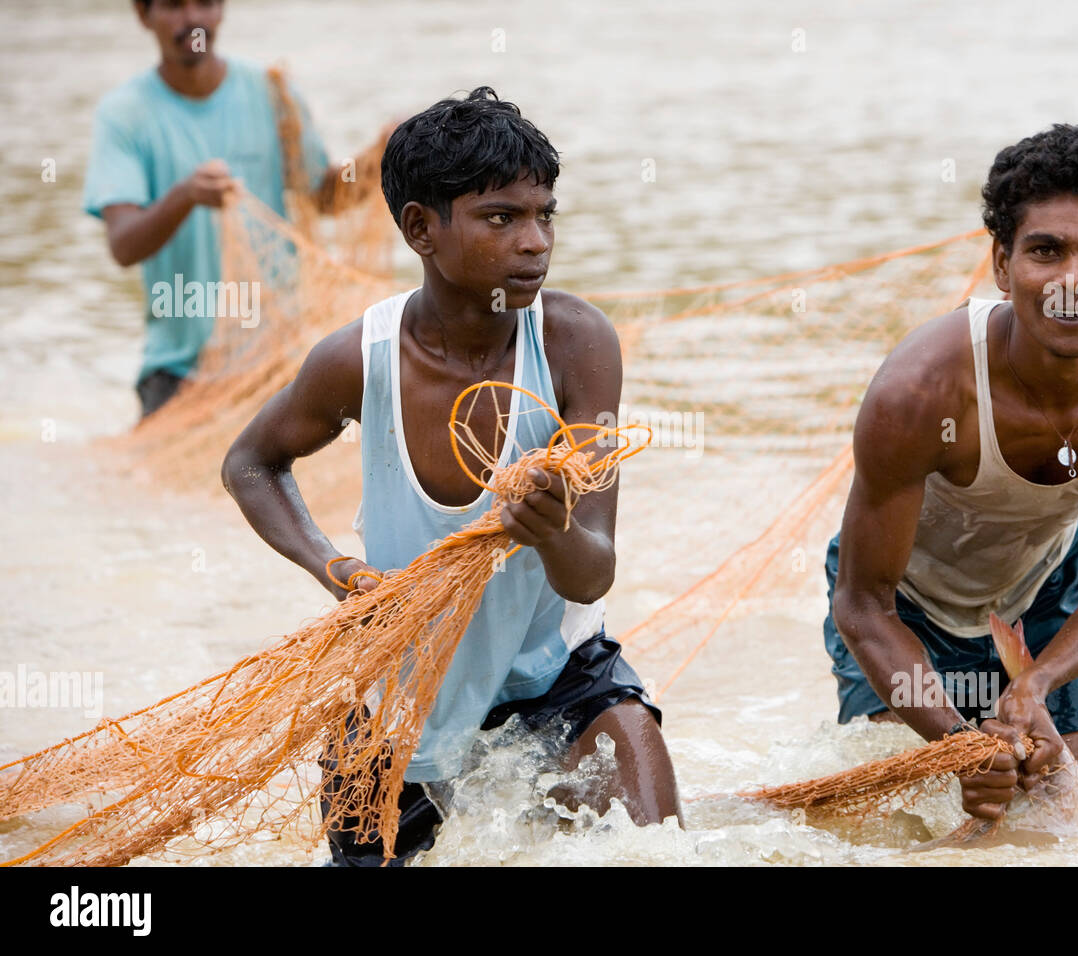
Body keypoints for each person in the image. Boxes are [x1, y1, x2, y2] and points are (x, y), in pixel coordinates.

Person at [221, 87, 681, 866]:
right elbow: (250, 465)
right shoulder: (357, 362)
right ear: (420, 229)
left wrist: (555, 528)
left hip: (558, 679)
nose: (535, 242)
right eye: (501, 218)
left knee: (659, 850)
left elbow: (592, 573)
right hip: (395, 701)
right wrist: (335, 569)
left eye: (545, 214)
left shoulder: (575, 345)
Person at [822, 124, 1078, 824]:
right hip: (903, 604)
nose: (1074, 282)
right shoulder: (920, 389)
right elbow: (862, 604)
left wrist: (1034, 683)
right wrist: (957, 746)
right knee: (917, 826)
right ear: (1003, 267)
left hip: (1043, 586)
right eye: (1045, 251)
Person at [83, 0, 339, 418]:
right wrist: (184, 196)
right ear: (142, 15)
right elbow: (123, 245)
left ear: (221, 10)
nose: (192, 20)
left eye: (205, 3)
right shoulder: (123, 115)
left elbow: (323, 196)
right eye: (172, 6)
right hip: (179, 371)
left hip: (275, 362)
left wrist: (373, 161)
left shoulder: (272, 91)